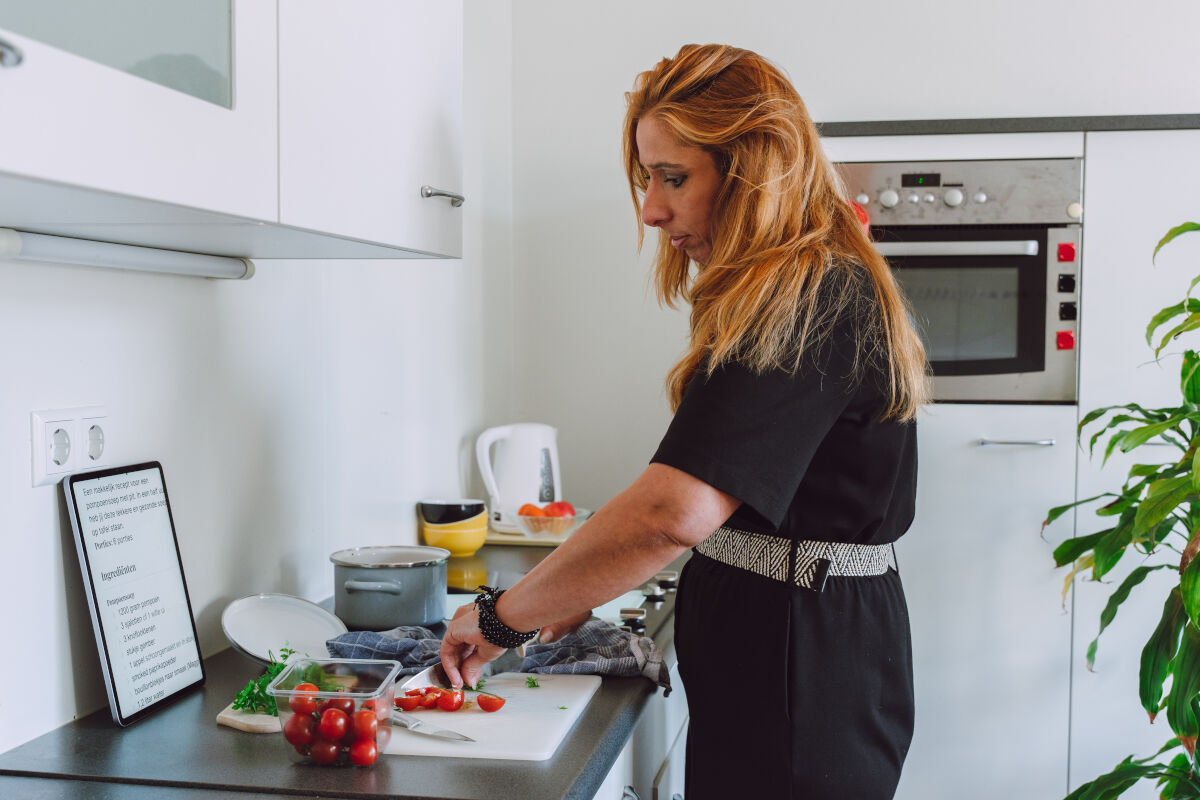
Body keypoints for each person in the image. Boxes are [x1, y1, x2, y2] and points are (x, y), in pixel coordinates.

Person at [441, 43, 929, 799]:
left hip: (802, 674)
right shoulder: (802, 286)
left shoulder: (807, 294)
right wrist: (566, 589)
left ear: (755, 172)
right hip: (789, 656)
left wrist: (502, 617)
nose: (651, 208)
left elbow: (673, 512)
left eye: (674, 177)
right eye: (647, 178)